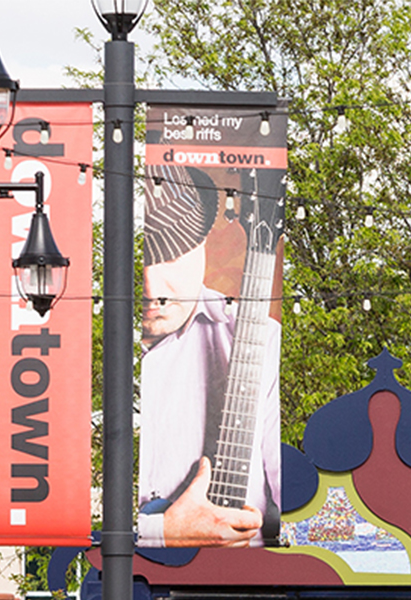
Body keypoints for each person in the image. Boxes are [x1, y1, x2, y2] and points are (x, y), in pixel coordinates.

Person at [136, 163, 282, 548]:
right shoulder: (90, 347)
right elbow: (68, 511)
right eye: (140, 261)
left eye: (170, 254)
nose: (151, 285)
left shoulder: (259, 338)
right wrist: (162, 531)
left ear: (203, 245)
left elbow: (287, 502)